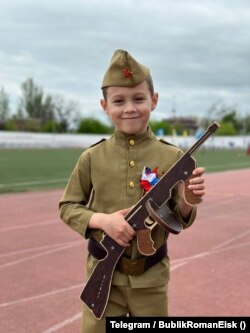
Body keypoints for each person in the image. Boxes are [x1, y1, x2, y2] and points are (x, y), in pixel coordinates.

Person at [59, 49, 205, 333]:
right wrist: (104, 221)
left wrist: (189, 200)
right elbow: (68, 206)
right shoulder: (91, 157)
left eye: (138, 99)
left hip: (151, 279)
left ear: (154, 100)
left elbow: (178, 217)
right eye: (119, 101)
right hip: (104, 274)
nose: (129, 108)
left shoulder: (173, 157)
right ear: (104, 105)